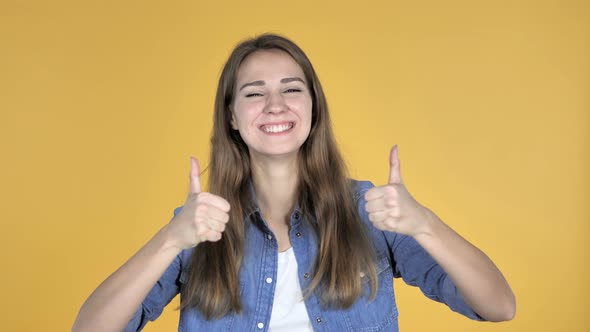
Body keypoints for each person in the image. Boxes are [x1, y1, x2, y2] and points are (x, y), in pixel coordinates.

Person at [72, 33, 515, 332]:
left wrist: (425, 225)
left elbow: (498, 307)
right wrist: (170, 240)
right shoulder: (197, 226)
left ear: (313, 107)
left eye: (291, 88)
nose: (275, 105)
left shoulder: (370, 211)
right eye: (253, 93)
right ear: (232, 116)